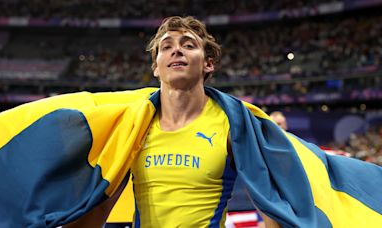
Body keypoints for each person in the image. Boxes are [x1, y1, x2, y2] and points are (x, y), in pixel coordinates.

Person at [64, 16, 280, 228]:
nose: (176, 50)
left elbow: (269, 206)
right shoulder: (135, 125)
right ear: (156, 67)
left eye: (188, 45)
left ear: (208, 63)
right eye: (166, 47)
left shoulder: (232, 125)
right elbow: (101, 207)